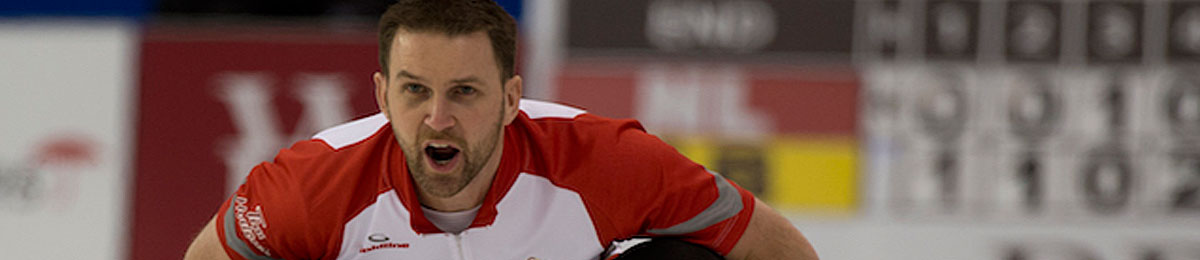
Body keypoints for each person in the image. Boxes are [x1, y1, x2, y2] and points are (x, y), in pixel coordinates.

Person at [184, 0, 818, 259]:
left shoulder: (609, 160)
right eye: (413, 91)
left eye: (464, 92)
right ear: (381, 94)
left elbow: (778, 247)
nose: (437, 118)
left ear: (513, 97)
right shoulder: (312, 184)